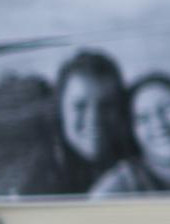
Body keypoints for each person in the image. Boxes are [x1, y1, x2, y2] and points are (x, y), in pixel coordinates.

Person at [15, 49, 130, 197]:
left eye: (107, 105)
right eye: (79, 106)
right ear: (59, 110)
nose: (94, 118)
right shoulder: (39, 186)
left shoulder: (137, 160)